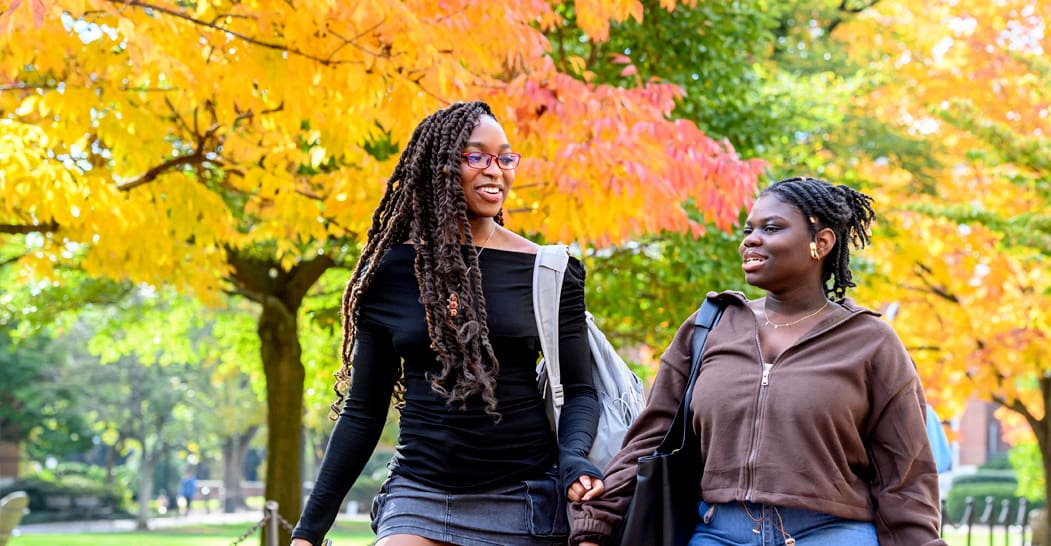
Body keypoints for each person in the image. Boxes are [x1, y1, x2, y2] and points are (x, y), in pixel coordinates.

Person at [290, 100, 604, 546]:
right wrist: (308, 533)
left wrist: (573, 457)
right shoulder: (389, 274)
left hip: (523, 495)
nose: (495, 171)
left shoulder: (548, 271)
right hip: (418, 494)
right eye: (475, 156)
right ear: (438, 167)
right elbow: (364, 411)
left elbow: (579, 391)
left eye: (505, 158)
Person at [571, 176, 946, 546]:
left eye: (772, 227)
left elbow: (906, 471)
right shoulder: (710, 326)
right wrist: (596, 524)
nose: (750, 239)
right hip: (718, 532)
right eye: (748, 229)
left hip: (831, 533)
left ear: (822, 242)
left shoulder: (870, 341)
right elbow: (650, 438)